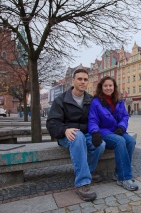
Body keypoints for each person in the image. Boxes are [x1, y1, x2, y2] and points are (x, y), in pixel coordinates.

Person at [46, 69, 106, 202]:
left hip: (85, 134)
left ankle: (89, 171)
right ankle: (82, 183)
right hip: (67, 135)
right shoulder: (60, 100)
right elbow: (52, 123)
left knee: (101, 144)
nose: (83, 82)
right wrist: (64, 130)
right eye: (80, 79)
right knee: (78, 137)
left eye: (85, 79)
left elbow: (96, 120)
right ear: (73, 81)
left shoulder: (91, 100)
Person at [88, 76, 138, 191]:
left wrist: (121, 127)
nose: (108, 88)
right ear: (101, 87)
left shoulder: (119, 100)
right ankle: (124, 178)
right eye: (105, 86)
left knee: (131, 141)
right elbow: (93, 120)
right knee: (120, 141)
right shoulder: (96, 102)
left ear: (114, 87)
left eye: (110, 85)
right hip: (104, 132)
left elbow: (125, 116)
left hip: (117, 130)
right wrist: (95, 132)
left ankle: (117, 172)